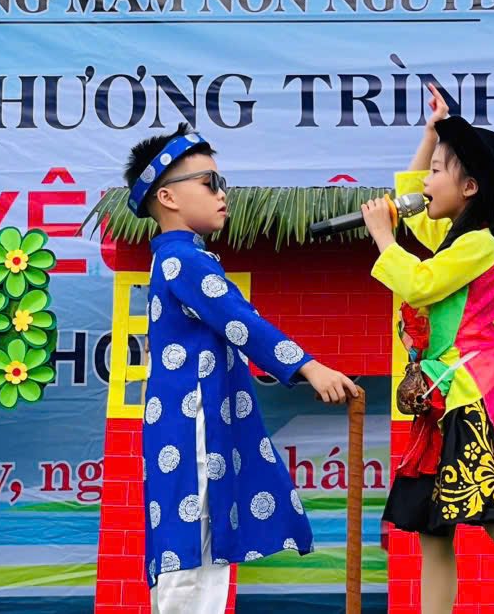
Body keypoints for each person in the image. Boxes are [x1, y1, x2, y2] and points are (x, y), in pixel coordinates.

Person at [123, 122, 359, 614]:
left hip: (194, 427)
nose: (221, 193)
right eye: (209, 182)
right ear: (167, 197)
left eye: (221, 182)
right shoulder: (184, 260)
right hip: (192, 429)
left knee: (199, 554)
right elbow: (242, 322)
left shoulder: (183, 258)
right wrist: (309, 367)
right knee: (191, 558)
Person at [361, 83, 494, 614]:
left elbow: (420, 284)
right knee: (432, 528)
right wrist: (430, 136)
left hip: (472, 398)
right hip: (442, 400)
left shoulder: (480, 242)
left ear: (469, 187)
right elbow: (412, 208)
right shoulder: (453, 235)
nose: (426, 182)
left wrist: (383, 238)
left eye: (437, 171)